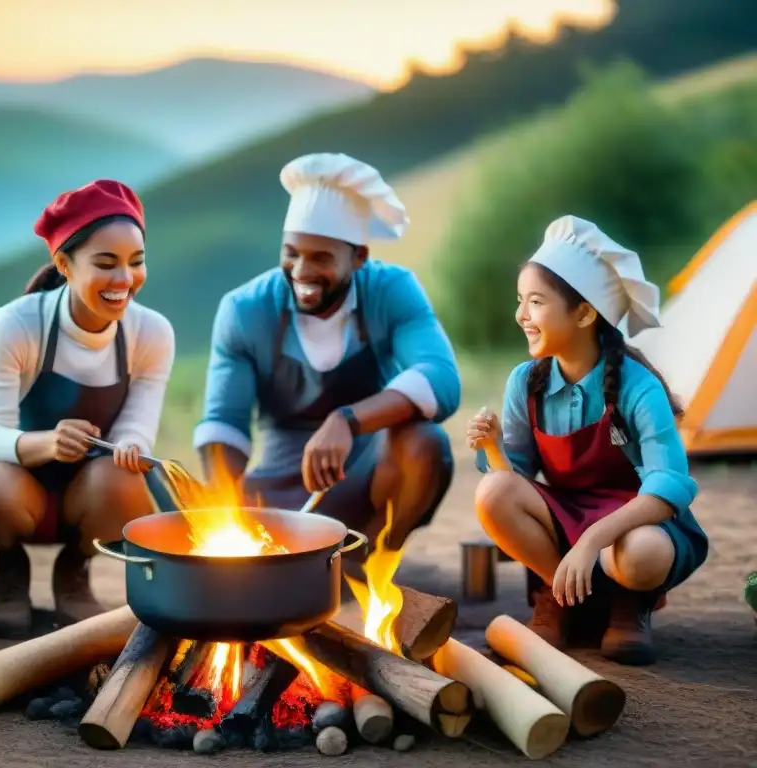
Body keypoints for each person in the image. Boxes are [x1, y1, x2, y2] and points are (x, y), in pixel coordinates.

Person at [193, 153, 460, 578]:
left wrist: (347, 420)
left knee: (426, 445)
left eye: (320, 257)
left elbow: (442, 380)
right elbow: (224, 423)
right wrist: (223, 515)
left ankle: (372, 561)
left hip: (369, 477)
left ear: (358, 257)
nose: (301, 270)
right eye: (291, 253)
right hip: (279, 491)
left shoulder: (391, 291)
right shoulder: (244, 309)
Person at [467, 215, 708, 666]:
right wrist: (494, 449)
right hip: (566, 518)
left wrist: (592, 541)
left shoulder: (638, 387)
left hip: (631, 525)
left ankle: (627, 604)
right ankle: (560, 596)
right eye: (520, 301)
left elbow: (670, 485)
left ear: (583, 312)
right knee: (493, 490)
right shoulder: (525, 382)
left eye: (536, 302)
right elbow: (515, 483)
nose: (521, 315)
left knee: (645, 553)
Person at [0, 180, 176, 639]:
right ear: (64, 264)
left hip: (86, 491)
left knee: (128, 480)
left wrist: (129, 447)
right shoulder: (17, 324)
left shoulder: (152, 333)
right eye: (106, 264)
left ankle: (76, 568)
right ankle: (10, 571)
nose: (124, 280)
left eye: (136, 261)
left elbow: (136, 426)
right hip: (12, 481)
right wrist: (48, 443)